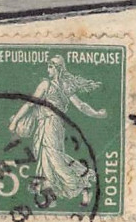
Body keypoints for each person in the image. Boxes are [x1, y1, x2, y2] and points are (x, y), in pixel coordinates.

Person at [9, 55, 107, 208]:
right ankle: (52, 193)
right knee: (50, 158)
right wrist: (96, 113)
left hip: (50, 125)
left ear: (58, 68)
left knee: (53, 158)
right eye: (48, 66)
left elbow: (29, 104)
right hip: (51, 126)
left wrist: (15, 121)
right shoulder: (64, 87)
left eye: (50, 66)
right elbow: (81, 105)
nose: (48, 69)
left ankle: (81, 185)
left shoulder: (46, 85)